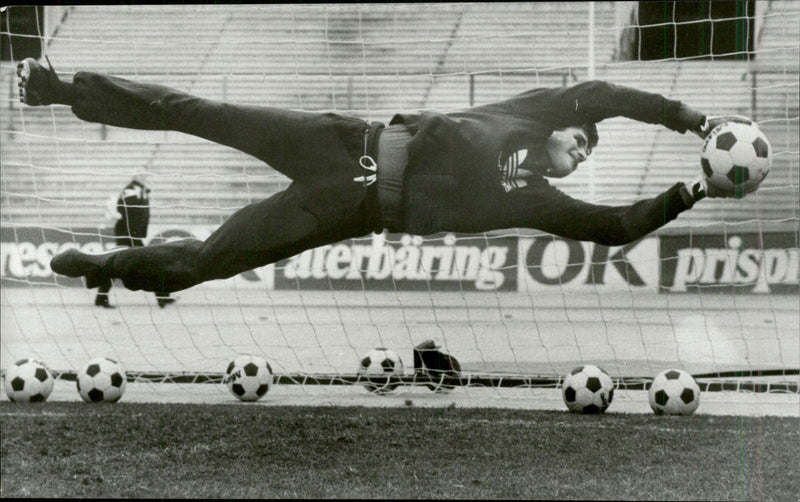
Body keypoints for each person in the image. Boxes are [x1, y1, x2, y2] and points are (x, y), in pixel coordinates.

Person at [17, 56, 751, 296]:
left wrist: (693, 190)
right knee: (201, 110)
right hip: (342, 141)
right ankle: (60, 88)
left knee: (207, 263)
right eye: (580, 138)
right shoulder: (534, 112)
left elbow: (617, 226)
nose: (583, 146)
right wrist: (688, 119)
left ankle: (104, 266)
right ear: (560, 123)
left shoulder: (543, 198)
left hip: (346, 210)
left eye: (589, 151)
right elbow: (606, 98)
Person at [94, 173, 176, 309]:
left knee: (117, 266)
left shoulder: (141, 191)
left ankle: (101, 298)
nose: (145, 178)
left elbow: (141, 214)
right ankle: (162, 296)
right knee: (148, 264)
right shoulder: (130, 191)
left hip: (132, 235)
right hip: (127, 235)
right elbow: (123, 211)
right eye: (142, 176)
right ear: (136, 178)